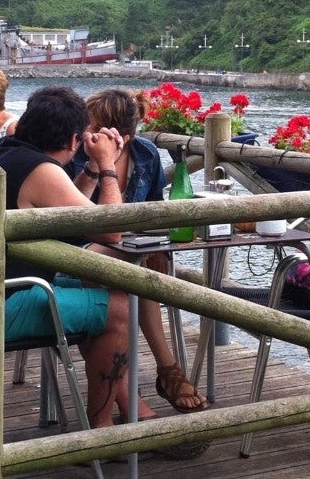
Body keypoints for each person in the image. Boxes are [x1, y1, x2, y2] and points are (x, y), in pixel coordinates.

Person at [0, 86, 137, 428]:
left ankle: (119, 405)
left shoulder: (7, 153)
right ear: (73, 140)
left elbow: (66, 213)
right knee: (120, 311)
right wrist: (108, 165)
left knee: (99, 278)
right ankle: (100, 429)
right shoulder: (40, 171)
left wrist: (92, 171)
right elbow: (111, 231)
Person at [70, 87, 207, 414]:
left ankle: (157, 378)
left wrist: (155, 242)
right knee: (130, 275)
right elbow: (69, 218)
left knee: (138, 268)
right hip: (77, 252)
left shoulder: (145, 154)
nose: (85, 133)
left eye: (92, 126)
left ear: (122, 135)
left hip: (131, 252)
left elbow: (155, 211)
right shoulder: (76, 155)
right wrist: (99, 165)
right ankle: (160, 376)